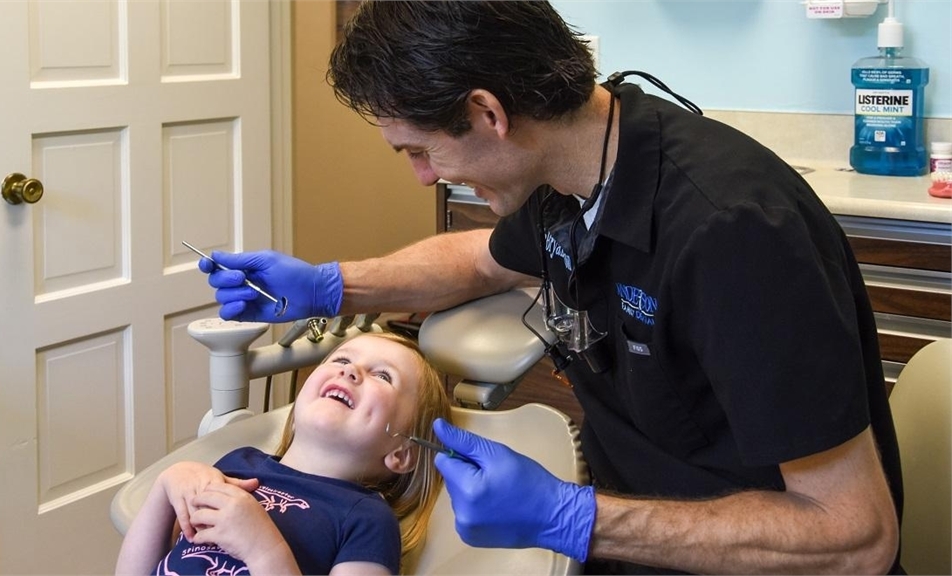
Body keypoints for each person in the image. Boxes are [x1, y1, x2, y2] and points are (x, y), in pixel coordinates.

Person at [198, 1, 903, 573]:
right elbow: (480, 261)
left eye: (420, 150)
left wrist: (576, 518)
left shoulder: (732, 235)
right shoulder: (566, 172)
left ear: (486, 115)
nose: (421, 176)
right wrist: (329, 287)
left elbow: (856, 536)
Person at [115, 332, 452, 575]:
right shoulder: (238, 464)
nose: (351, 371)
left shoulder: (368, 521)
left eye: (382, 375)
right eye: (342, 359)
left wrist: (262, 548)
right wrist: (166, 485)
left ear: (402, 452)